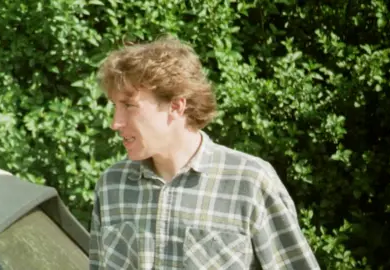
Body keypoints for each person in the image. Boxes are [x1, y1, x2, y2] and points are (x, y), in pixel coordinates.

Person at [89, 35, 320, 269]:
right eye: (114, 106)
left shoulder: (249, 183)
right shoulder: (111, 186)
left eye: (129, 105)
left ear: (177, 106)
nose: (115, 122)